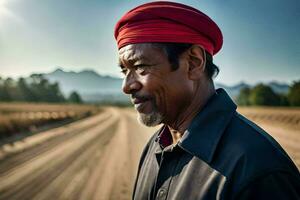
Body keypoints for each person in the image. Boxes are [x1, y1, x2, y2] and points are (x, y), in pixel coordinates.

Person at [114, 1, 300, 199]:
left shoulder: (258, 169)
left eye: (141, 67)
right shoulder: (155, 146)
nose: (126, 86)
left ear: (194, 63)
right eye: (125, 71)